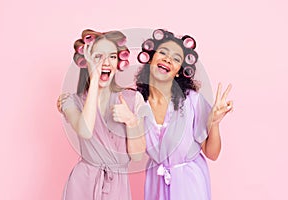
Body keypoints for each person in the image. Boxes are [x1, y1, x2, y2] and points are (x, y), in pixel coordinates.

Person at [135, 29, 233, 200]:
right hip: (156, 184)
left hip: (189, 184)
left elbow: (212, 154)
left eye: (176, 58)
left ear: (179, 71)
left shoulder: (192, 101)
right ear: (150, 58)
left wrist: (214, 124)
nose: (167, 59)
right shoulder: (136, 102)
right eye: (163, 52)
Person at [57, 29, 146, 200]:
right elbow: (86, 131)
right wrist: (94, 80)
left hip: (118, 187)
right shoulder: (71, 102)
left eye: (112, 56)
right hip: (83, 184)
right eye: (98, 57)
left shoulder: (133, 99)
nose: (106, 62)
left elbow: (137, 156)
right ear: (86, 61)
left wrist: (131, 122)